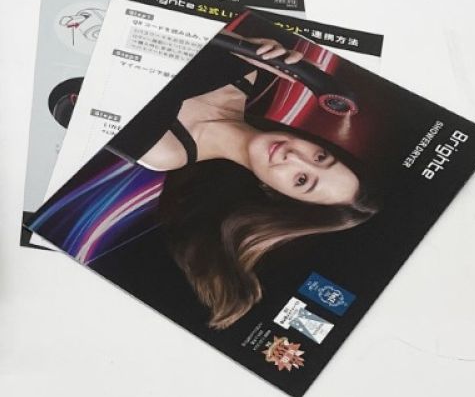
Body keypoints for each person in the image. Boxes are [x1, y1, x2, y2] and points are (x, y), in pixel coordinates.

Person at [108, 34, 380, 329]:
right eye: (320, 156)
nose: (294, 156)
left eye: (302, 180)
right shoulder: (245, 68)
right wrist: (234, 40)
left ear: (275, 193)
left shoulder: (166, 151)